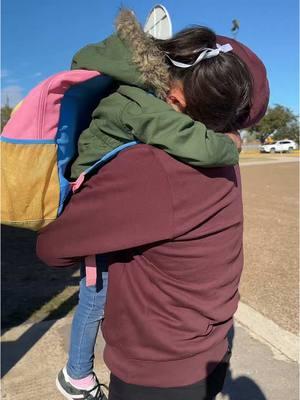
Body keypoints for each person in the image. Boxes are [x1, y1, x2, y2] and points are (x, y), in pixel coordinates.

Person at [37, 8, 269, 400]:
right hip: (211, 344)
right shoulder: (218, 153)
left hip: (158, 372)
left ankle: (75, 376)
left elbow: (52, 249)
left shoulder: (156, 167)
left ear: (176, 98)